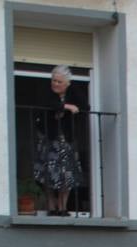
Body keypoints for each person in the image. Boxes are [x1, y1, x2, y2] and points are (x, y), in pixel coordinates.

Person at [33, 65, 85, 216]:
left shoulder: (74, 91)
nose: (55, 84)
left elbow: (84, 107)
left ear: (67, 83)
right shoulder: (46, 91)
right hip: (49, 139)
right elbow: (44, 104)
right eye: (54, 80)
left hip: (66, 140)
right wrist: (65, 106)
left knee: (67, 174)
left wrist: (69, 109)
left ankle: (62, 207)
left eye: (59, 82)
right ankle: (51, 206)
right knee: (48, 174)